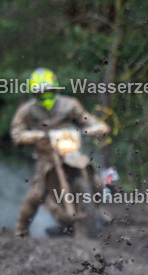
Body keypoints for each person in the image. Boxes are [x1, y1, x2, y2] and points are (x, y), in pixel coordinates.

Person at [11, 68, 110, 237]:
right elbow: (16, 132)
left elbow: (87, 120)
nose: (46, 97)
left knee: (98, 181)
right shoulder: (27, 111)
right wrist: (28, 135)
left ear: (55, 89)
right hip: (46, 158)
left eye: (49, 92)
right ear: (34, 94)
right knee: (36, 194)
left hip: (73, 153)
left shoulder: (70, 104)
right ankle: (21, 229)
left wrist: (97, 127)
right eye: (41, 94)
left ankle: (98, 209)